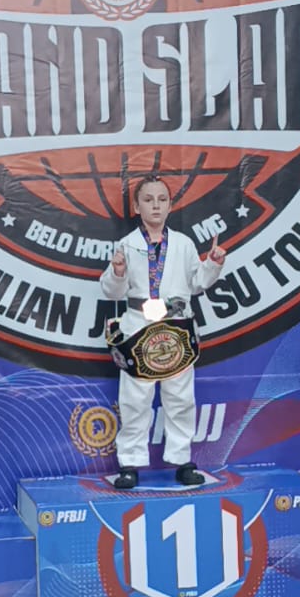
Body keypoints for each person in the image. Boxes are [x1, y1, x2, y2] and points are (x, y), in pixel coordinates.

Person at [99, 174, 226, 489]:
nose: (155, 205)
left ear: (170, 205)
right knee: (134, 400)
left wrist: (212, 264)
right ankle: (130, 463)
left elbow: (197, 284)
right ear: (136, 207)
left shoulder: (182, 243)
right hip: (138, 327)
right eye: (148, 200)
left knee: (180, 398)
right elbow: (112, 292)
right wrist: (117, 272)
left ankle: (182, 460)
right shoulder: (126, 244)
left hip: (176, 326)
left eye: (162, 199)